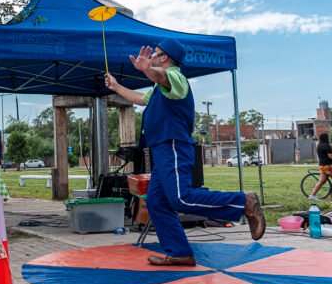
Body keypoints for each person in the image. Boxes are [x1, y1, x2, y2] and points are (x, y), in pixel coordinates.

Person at [104, 41, 265, 266]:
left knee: (180, 197)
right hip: (161, 149)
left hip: (173, 145)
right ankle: (179, 252)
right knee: (157, 203)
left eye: (155, 55)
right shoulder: (159, 90)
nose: (151, 59)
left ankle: (243, 201)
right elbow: (140, 99)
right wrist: (117, 86)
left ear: (164, 58)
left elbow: (161, 76)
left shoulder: (176, 78)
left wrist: (148, 70)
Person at [309, 132, 332, 201]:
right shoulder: (326, 146)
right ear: (326, 138)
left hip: (322, 166)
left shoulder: (319, 145)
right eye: (328, 137)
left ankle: (312, 196)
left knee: (321, 181)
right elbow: (330, 156)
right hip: (329, 166)